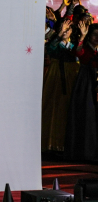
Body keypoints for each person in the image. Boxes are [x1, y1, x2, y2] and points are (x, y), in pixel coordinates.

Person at [41, 18, 79, 153]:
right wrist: (59, 34)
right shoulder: (54, 45)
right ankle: (50, 143)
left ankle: (67, 144)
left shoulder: (74, 46)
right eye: (63, 28)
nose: (65, 31)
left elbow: (80, 52)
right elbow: (49, 48)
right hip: (54, 79)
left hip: (71, 78)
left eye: (68, 29)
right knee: (51, 109)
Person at [64, 21, 98, 161]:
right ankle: (86, 153)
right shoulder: (84, 48)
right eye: (94, 35)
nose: (97, 37)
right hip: (86, 85)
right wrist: (82, 37)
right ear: (89, 36)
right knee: (87, 117)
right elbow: (78, 52)